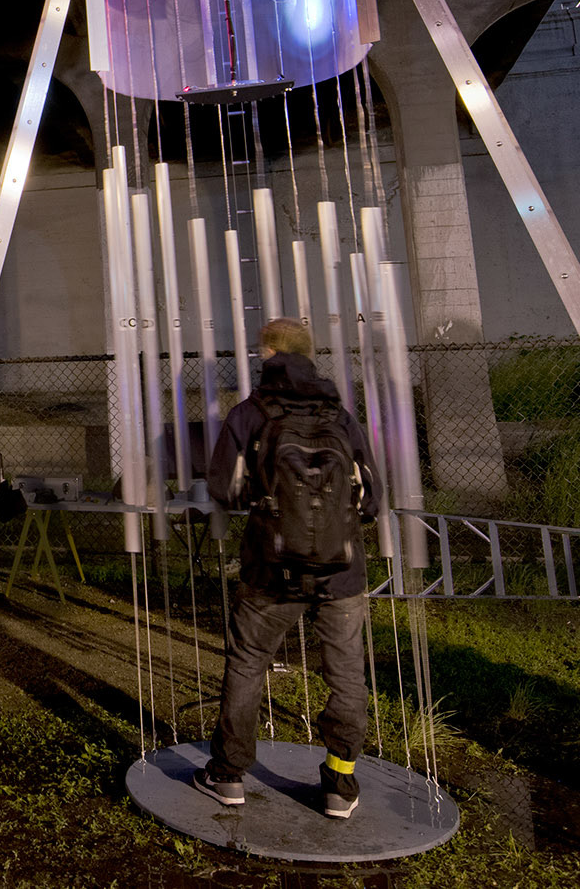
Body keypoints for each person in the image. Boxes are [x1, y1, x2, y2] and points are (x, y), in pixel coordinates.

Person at [196, 317, 383, 821]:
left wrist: (263, 504)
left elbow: (222, 487)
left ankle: (228, 775)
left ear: (271, 353)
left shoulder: (250, 413)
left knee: (248, 662)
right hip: (341, 572)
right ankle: (340, 783)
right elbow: (372, 498)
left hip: (270, 571)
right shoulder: (340, 416)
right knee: (346, 672)